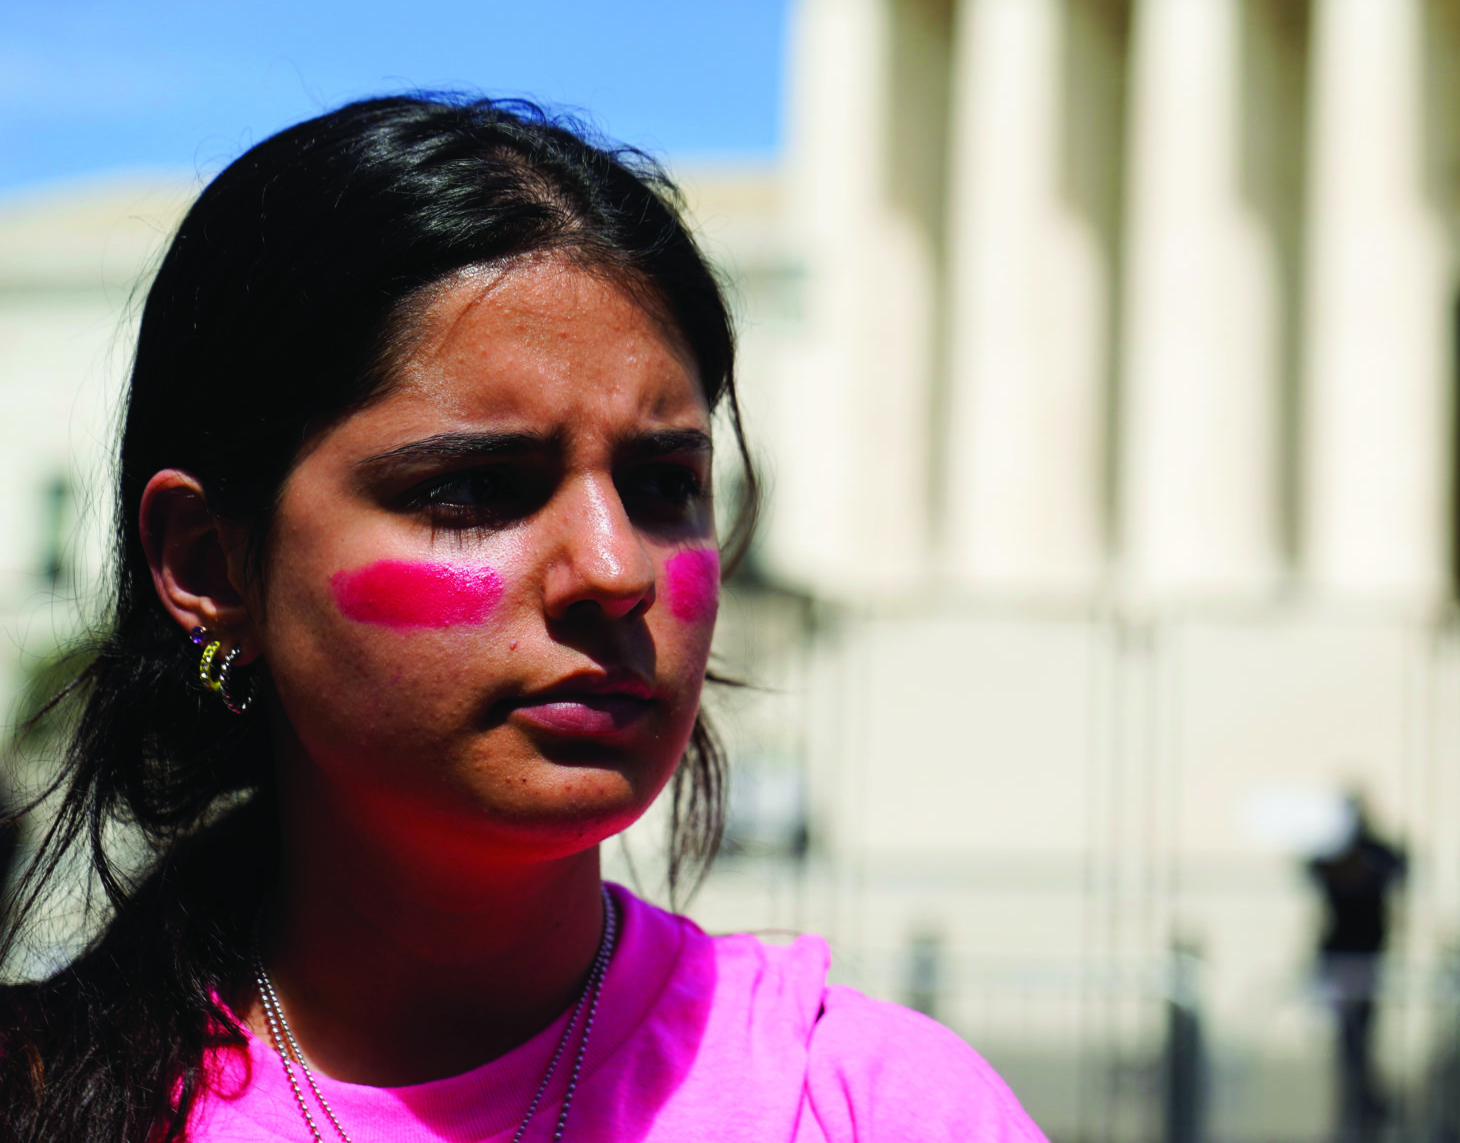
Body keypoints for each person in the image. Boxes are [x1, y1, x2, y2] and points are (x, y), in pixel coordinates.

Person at [0, 97, 1046, 1143]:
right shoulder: (45, 1099)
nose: (613, 566)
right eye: (477, 488)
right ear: (208, 563)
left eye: (662, 483)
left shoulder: (874, 1103)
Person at [1308, 790, 1407, 1142]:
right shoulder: (1329, 852)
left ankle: (1366, 1103)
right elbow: (1312, 868)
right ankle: (1358, 1104)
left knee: (1361, 1037)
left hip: (1367, 955)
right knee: (1347, 1042)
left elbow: (1398, 865)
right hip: (1339, 955)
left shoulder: (1375, 852)